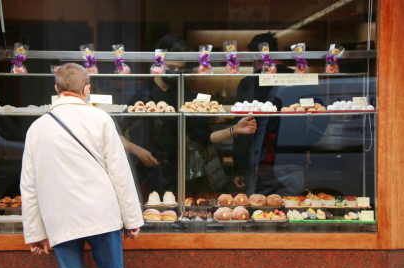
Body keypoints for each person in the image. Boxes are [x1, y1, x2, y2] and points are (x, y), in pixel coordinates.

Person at [20, 63, 143, 268]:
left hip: (61, 216)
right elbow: (120, 173)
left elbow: (29, 186)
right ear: (87, 89)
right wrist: (131, 219)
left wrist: (35, 233)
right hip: (102, 213)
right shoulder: (101, 120)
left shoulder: (36, 129)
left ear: (57, 89)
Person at [117, 34, 257, 197]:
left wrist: (234, 129)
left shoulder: (186, 95)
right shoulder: (139, 94)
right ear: (159, 61)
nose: (176, 73)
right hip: (141, 171)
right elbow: (114, 132)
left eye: (180, 68)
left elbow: (204, 136)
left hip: (179, 173)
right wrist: (137, 151)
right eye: (171, 67)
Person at [233, 33, 327, 196]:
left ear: (255, 58)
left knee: (258, 212)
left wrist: (239, 167)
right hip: (291, 157)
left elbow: (241, 130)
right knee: (292, 212)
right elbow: (323, 113)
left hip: (257, 162)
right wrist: (306, 144)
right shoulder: (300, 79)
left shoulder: (248, 83)